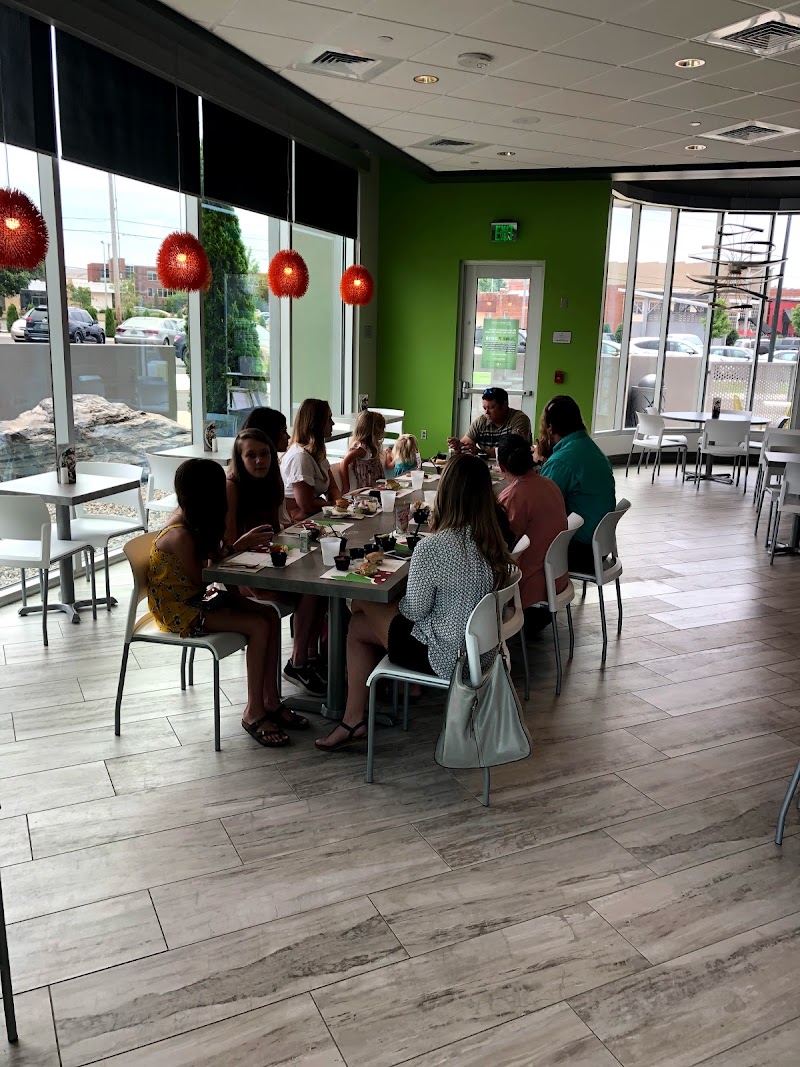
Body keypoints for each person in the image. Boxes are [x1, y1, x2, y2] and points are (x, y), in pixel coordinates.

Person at [315, 453, 514, 751]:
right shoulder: (492, 540)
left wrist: (392, 603)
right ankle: (365, 710)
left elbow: (414, 611)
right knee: (361, 620)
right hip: (483, 654)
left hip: (444, 658)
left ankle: (353, 716)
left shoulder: (433, 547)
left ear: (445, 493)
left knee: (359, 608)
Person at [146, 458, 295, 747]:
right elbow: (203, 578)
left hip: (196, 598)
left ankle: (271, 700)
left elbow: (210, 565)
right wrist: (234, 549)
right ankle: (253, 711)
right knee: (258, 625)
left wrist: (236, 547)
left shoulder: (192, 521)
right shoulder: (180, 534)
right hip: (181, 610)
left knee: (269, 616)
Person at [225, 428, 327, 698]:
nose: (259, 461)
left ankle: (310, 657)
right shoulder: (232, 487)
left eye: (264, 454)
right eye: (251, 456)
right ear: (240, 458)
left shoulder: (272, 483)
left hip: (268, 564)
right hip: (238, 575)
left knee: (321, 585)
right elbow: (226, 549)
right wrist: (243, 543)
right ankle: (298, 663)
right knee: (311, 590)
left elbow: (272, 531)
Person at [497, 434, 568, 633]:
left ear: (501, 467)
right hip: (555, 584)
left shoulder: (513, 497)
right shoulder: (550, 485)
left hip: (526, 597)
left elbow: (497, 545)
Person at [537, 395, 616, 573]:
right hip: (600, 546)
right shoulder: (591, 448)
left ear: (550, 428)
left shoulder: (561, 461)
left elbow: (539, 505)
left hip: (580, 552)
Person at [281, 398, 339, 521]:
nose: (333, 423)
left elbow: (333, 488)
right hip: (296, 524)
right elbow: (307, 505)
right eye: (329, 419)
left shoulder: (317, 453)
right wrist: (333, 505)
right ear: (316, 423)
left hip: (312, 517)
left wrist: (334, 502)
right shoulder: (300, 457)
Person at [448, 387, 532, 457]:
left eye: (491, 408)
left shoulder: (519, 419)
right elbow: (466, 443)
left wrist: (481, 452)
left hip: (514, 469)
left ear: (504, 405)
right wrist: (459, 446)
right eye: (484, 408)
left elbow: (513, 450)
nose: (486, 412)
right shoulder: (481, 421)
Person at [340, 410, 386, 491]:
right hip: (364, 491)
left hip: (373, 488)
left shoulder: (371, 448)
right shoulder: (362, 449)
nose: (383, 432)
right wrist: (346, 486)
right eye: (381, 428)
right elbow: (344, 463)